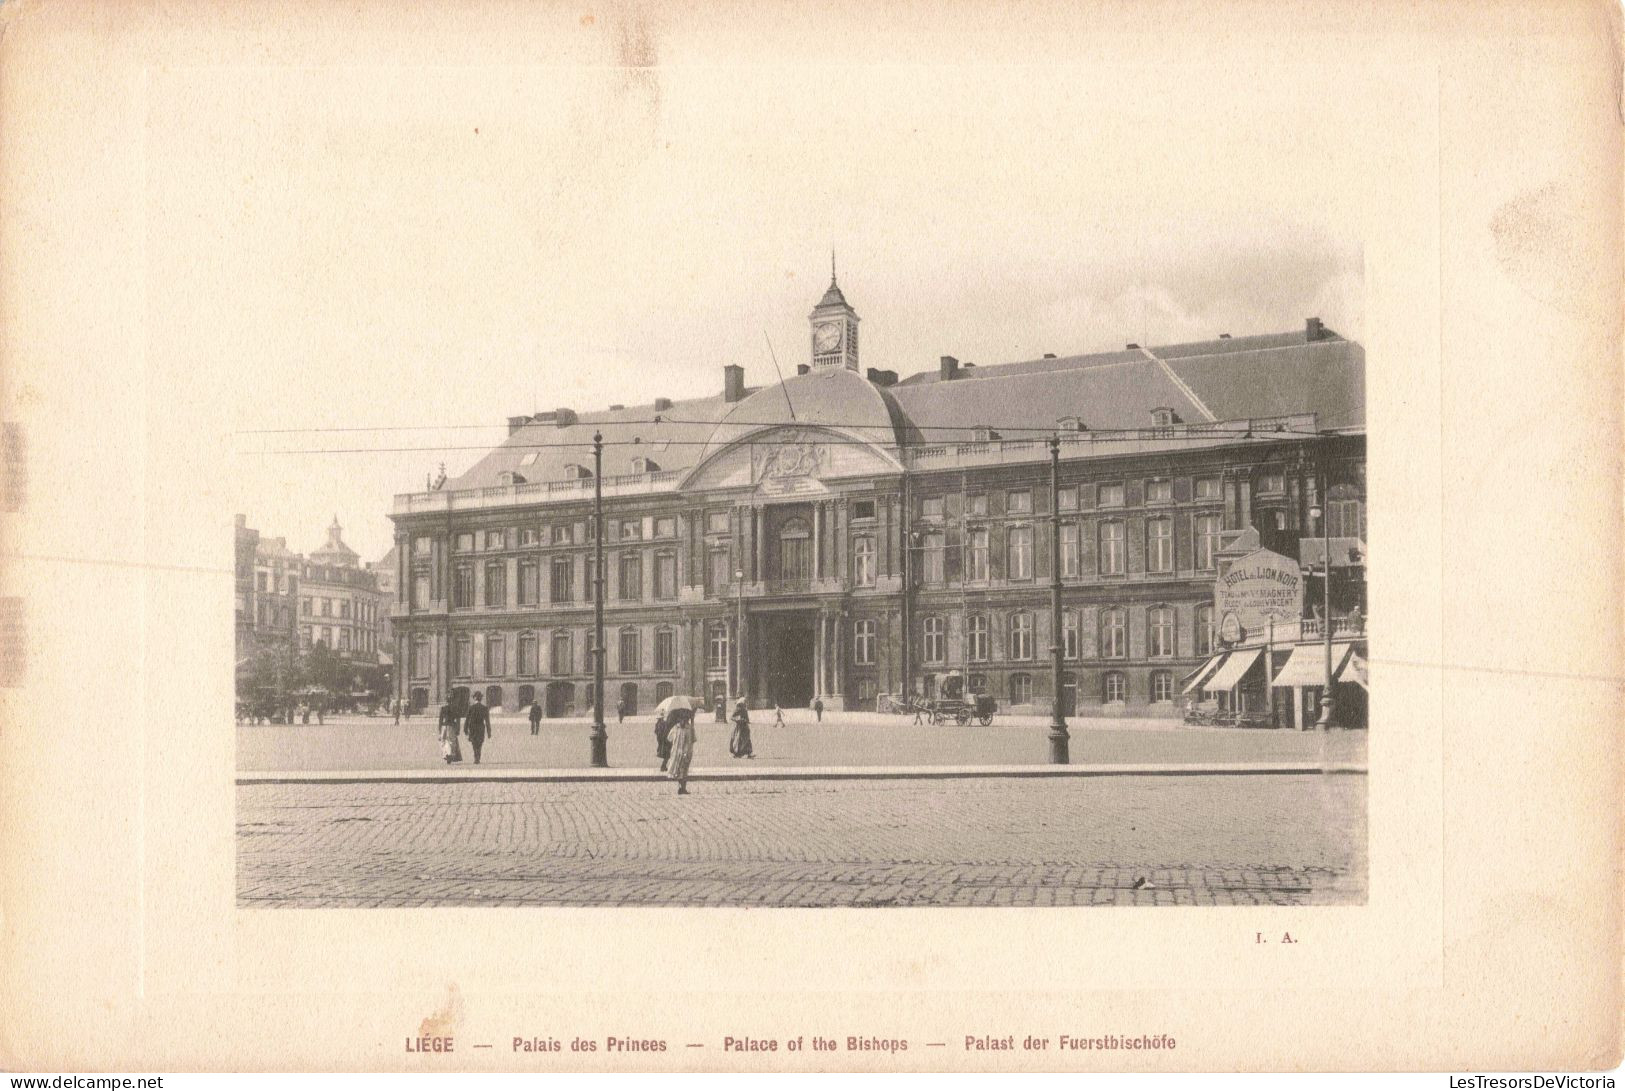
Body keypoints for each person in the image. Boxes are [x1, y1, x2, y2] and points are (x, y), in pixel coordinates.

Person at [666, 707, 696, 794]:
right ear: (679, 719)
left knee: (684, 770)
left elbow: (693, 739)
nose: (683, 721)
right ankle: (681, 787)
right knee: (679, 770)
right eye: (681, 719)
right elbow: (669, 738)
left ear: (687, 720)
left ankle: (683, 788)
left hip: (685, 753)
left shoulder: (688, 729)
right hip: (677, 752)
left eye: (685, 719)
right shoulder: (676, 728)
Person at [464, 692, 492, 764]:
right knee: (480, 743)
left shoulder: (471, 707)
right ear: (481, 698)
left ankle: (476, 757)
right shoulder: (484, 708)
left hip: (472, 727)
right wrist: (489, 732)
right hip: (481, 727)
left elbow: (467, 719)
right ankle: (478, 757)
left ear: (475, 698)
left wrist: (465, 729)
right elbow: (487, 721)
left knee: (474, 742)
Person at [437, 698, 463, 764]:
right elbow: (458, 720)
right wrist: (458, 729)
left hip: (444, 726)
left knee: (444, 741)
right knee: (451, 741)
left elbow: (440, 720)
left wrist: (439, 730)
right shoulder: (455, 708)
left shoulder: (443, 708)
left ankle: (446, 754)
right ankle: (450, 754)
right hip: (451, 726)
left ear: (446, 701)